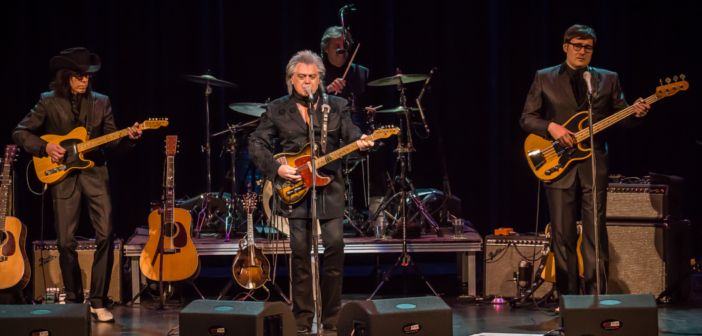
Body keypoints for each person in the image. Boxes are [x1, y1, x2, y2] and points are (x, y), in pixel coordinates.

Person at [13, 47, 142, 322]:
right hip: (61, 175)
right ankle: (73, 300)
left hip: (95, 174)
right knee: (65, 242)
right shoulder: (47, 101)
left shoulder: (101, 101)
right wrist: (45, 147)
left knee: (106, 234)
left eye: (87, 77)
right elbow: (20, 131)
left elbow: (113, 140)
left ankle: (98, 300)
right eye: (79, 77)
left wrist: (129, 137)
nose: (84, 81)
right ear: (66, 77)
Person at [520, 25, 650, 298]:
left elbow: (623, 117)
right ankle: (568, 301)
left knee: (595, 235)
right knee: (563, 237)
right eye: (577, 45)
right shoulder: (544, 77)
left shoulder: (608, 79)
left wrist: (636, 114)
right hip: (556, 164)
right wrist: (552, 128)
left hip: (594, 165)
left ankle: (596, 299)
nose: (582, 51)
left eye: (587, 47)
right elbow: (527, 118)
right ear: (565, 46)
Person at [249, 50, 373, 333]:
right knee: (300, 254)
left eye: (313, 77)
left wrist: (361, 141)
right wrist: (277, 169)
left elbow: (351, 133)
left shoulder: (336, 105)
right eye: (302, 77)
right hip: (295, 187)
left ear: (320, 79)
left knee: (334, 248)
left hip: (330, 188)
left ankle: (330, 318)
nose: (308, 82)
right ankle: (303, 320)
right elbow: (256, 143)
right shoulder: (278, 108)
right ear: (291, 79)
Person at [321, 26, 386, 216]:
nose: (342, 50)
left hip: (356, 133)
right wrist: (326, 91)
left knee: (376, 148)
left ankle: (376, 212)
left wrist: (371, 111)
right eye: (336, 46)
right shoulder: (317, 74)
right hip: (326, 135)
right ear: (326, 49)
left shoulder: (361, 73)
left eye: (345, 45)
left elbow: (368, 104)